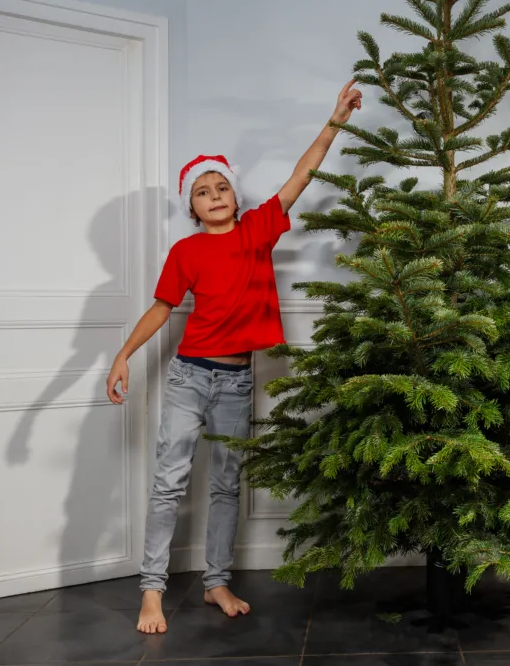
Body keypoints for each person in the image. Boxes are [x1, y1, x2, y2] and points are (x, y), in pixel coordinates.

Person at [106, 79, 363, 634]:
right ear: (192, 205)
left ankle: (216, 581)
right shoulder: (186, 250)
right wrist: (123, 355)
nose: (216, 194)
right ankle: (151, 592)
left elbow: (301, 175)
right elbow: (161, 309)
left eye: (222, 186)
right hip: (189, 377)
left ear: (235, 196)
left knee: (226, 484)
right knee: (169, 481)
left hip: (237, 381)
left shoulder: (257, 231)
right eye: (204, 190)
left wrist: (334, 120)